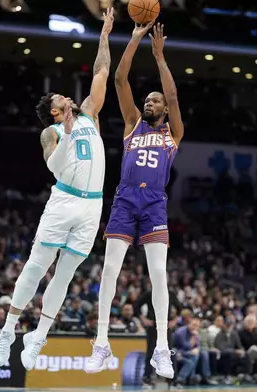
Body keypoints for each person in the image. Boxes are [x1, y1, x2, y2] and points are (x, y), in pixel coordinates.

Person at [0, 8, 113, 370]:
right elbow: (53, 167)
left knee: (66, 274)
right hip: (64, 201)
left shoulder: (90, 112)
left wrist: (104, 35)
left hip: (93, 207)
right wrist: (69, 134)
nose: (66, 96)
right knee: (36, 266)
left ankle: (38, 338)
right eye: (60, 98)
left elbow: (102, 71)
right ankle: (8, 331)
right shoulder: (53, 132)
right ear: (56, 112)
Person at [85, 23, 185, 379]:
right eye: (148, 100)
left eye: (154, 100)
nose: (149, 102)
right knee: (109, 270)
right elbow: (119, 81)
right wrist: (134, 39)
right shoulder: (131, 124)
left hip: (155, 203)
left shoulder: (173, 133)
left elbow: (173, 97)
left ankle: (161, 348)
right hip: (125, 201)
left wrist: (159, 57)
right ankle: (100, 342)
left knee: (159, 273)